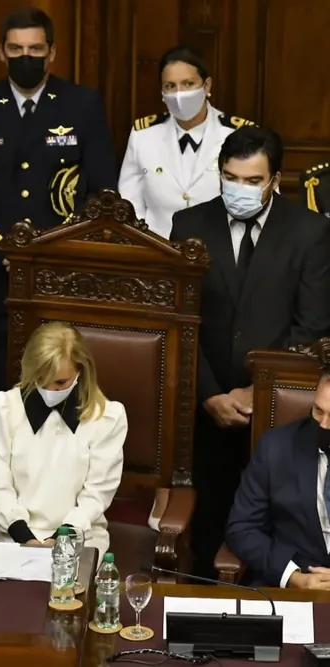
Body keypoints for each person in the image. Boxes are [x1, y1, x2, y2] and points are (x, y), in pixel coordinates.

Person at [170, 126, 330, 577]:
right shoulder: (188, 225)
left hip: (278, 408)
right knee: (206, 520)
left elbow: (313, 326)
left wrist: (255, 392)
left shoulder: (310, 232)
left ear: (276, 180)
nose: (238, 189)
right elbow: (182, 323)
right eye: (229, 177)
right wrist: (210, 394)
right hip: (205, 404)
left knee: (268, 521)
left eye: (252, 180)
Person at [0, 7, 116, 405]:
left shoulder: (81, 104)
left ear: (52, 52)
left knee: (62, 381)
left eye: (35, 49)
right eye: (17, 49)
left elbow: (101, 192)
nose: (26, 57)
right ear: (2, 53)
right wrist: (7, 252)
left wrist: (52, 253)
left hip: (61, 271)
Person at [0, 322, 125, 554]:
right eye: (41, 378)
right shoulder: (4, 408)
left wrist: (60, 538)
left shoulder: (107, 417)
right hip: (12, 537)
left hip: (79, 538)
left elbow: (96, 495)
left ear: (81, 371)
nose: (50, 390)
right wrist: (25, 538)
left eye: (60, 382)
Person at [119, 46, 255, 238]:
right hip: (158, 251)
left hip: (223, 253)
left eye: (188, 83)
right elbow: (129, 204)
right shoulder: (144, 135)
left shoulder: (239, 134)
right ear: (162, 91)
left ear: (206, 86)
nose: (179, 93)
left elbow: (260, 203)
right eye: (170, 86)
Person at [226, 374, 330, 589]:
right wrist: (293, 577)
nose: (324, 424)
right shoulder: (276, 448)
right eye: (318, 411)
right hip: (295, 584)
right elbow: (242, 528)